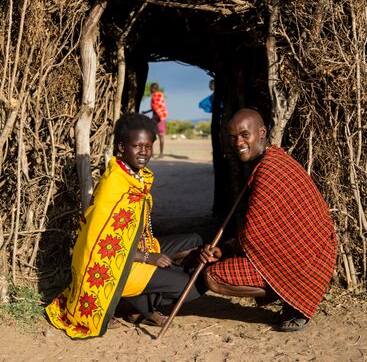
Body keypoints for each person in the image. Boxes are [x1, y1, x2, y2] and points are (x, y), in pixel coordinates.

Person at [46, 113, 204, 339]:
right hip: (116, 264)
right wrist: (147, 257)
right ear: (122, 147)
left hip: (137, 248)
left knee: (195, 242)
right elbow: (102, 244)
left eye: (148, 146)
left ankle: (138, 301)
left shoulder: (136, 177)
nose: (143, 152)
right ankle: (136, 304)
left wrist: (151, 253)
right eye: (137, 146)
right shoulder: (115, 183)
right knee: (193, 286)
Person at [199, 108, 337, 332]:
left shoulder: (269, 170)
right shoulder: (271, 160)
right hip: (314, 255)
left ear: (262, 132)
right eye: (233, 137)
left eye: (245, 135)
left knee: (214, 277)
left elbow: (256, 235)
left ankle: (295, 298)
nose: (238, 142)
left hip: (308, 260)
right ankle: (293, 295)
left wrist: (227, 249)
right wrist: (229, 247)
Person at [150, 82, 168, 157]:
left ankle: (152, 153)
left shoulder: (155, 95)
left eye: (151, 88)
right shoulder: (161, 95)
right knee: (161, 136)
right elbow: (157, 106)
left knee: (152, 135)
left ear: (153, 88)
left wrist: (154, 117)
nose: (150, 90)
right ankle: (161, 154)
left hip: (157, 116)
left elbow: (155, 107)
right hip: (162, 117)